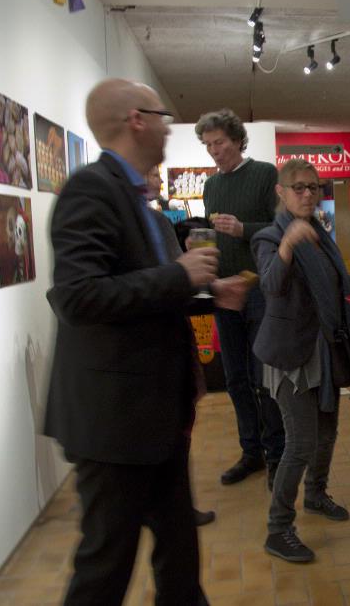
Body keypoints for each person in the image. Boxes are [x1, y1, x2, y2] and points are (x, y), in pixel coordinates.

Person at [45, 78, 250, 605]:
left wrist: (210, 293)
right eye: (162, 116)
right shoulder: (90, 190)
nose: (169, 127)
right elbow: (78, 297)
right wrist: (181, 276)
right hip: (113, 421)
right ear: (137, 120)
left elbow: (149, 292)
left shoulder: (144, 206)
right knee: (104, 569)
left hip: (156, 415)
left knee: (178, 556)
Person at [252, 158, 350, 563]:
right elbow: (271, 285)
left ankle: (316, 494)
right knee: (300, 442)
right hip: (292, 354)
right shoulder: (270, 237)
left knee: (327, 433)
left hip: (327, 349)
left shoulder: (320, 234)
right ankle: (277, 529)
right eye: (299, 187)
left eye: (314, 187)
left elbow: (325, 284)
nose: (307, 194)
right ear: (281, 192)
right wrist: (288, 245)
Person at [195, 109, 285, 488]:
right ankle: (251, 452)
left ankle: (277, 454)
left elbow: (284, 227)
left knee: (265, 377)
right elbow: (215, 236)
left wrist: (243, 228)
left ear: (236, 140)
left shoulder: (264, 174)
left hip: (260, 289)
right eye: (208, 145)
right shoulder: (211, 186)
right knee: (235, 378)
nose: (214, 151)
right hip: (224, 290)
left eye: (219, 142)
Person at [145, 165, 216, 529]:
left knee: (179, 426)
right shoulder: (134, 221)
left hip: (170, 341)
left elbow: (180, 282)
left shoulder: (157, 223)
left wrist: (210, 290)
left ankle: (174, 507)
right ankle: (167, 508)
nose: (159, 179)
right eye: (151, 172)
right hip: (149, 350)